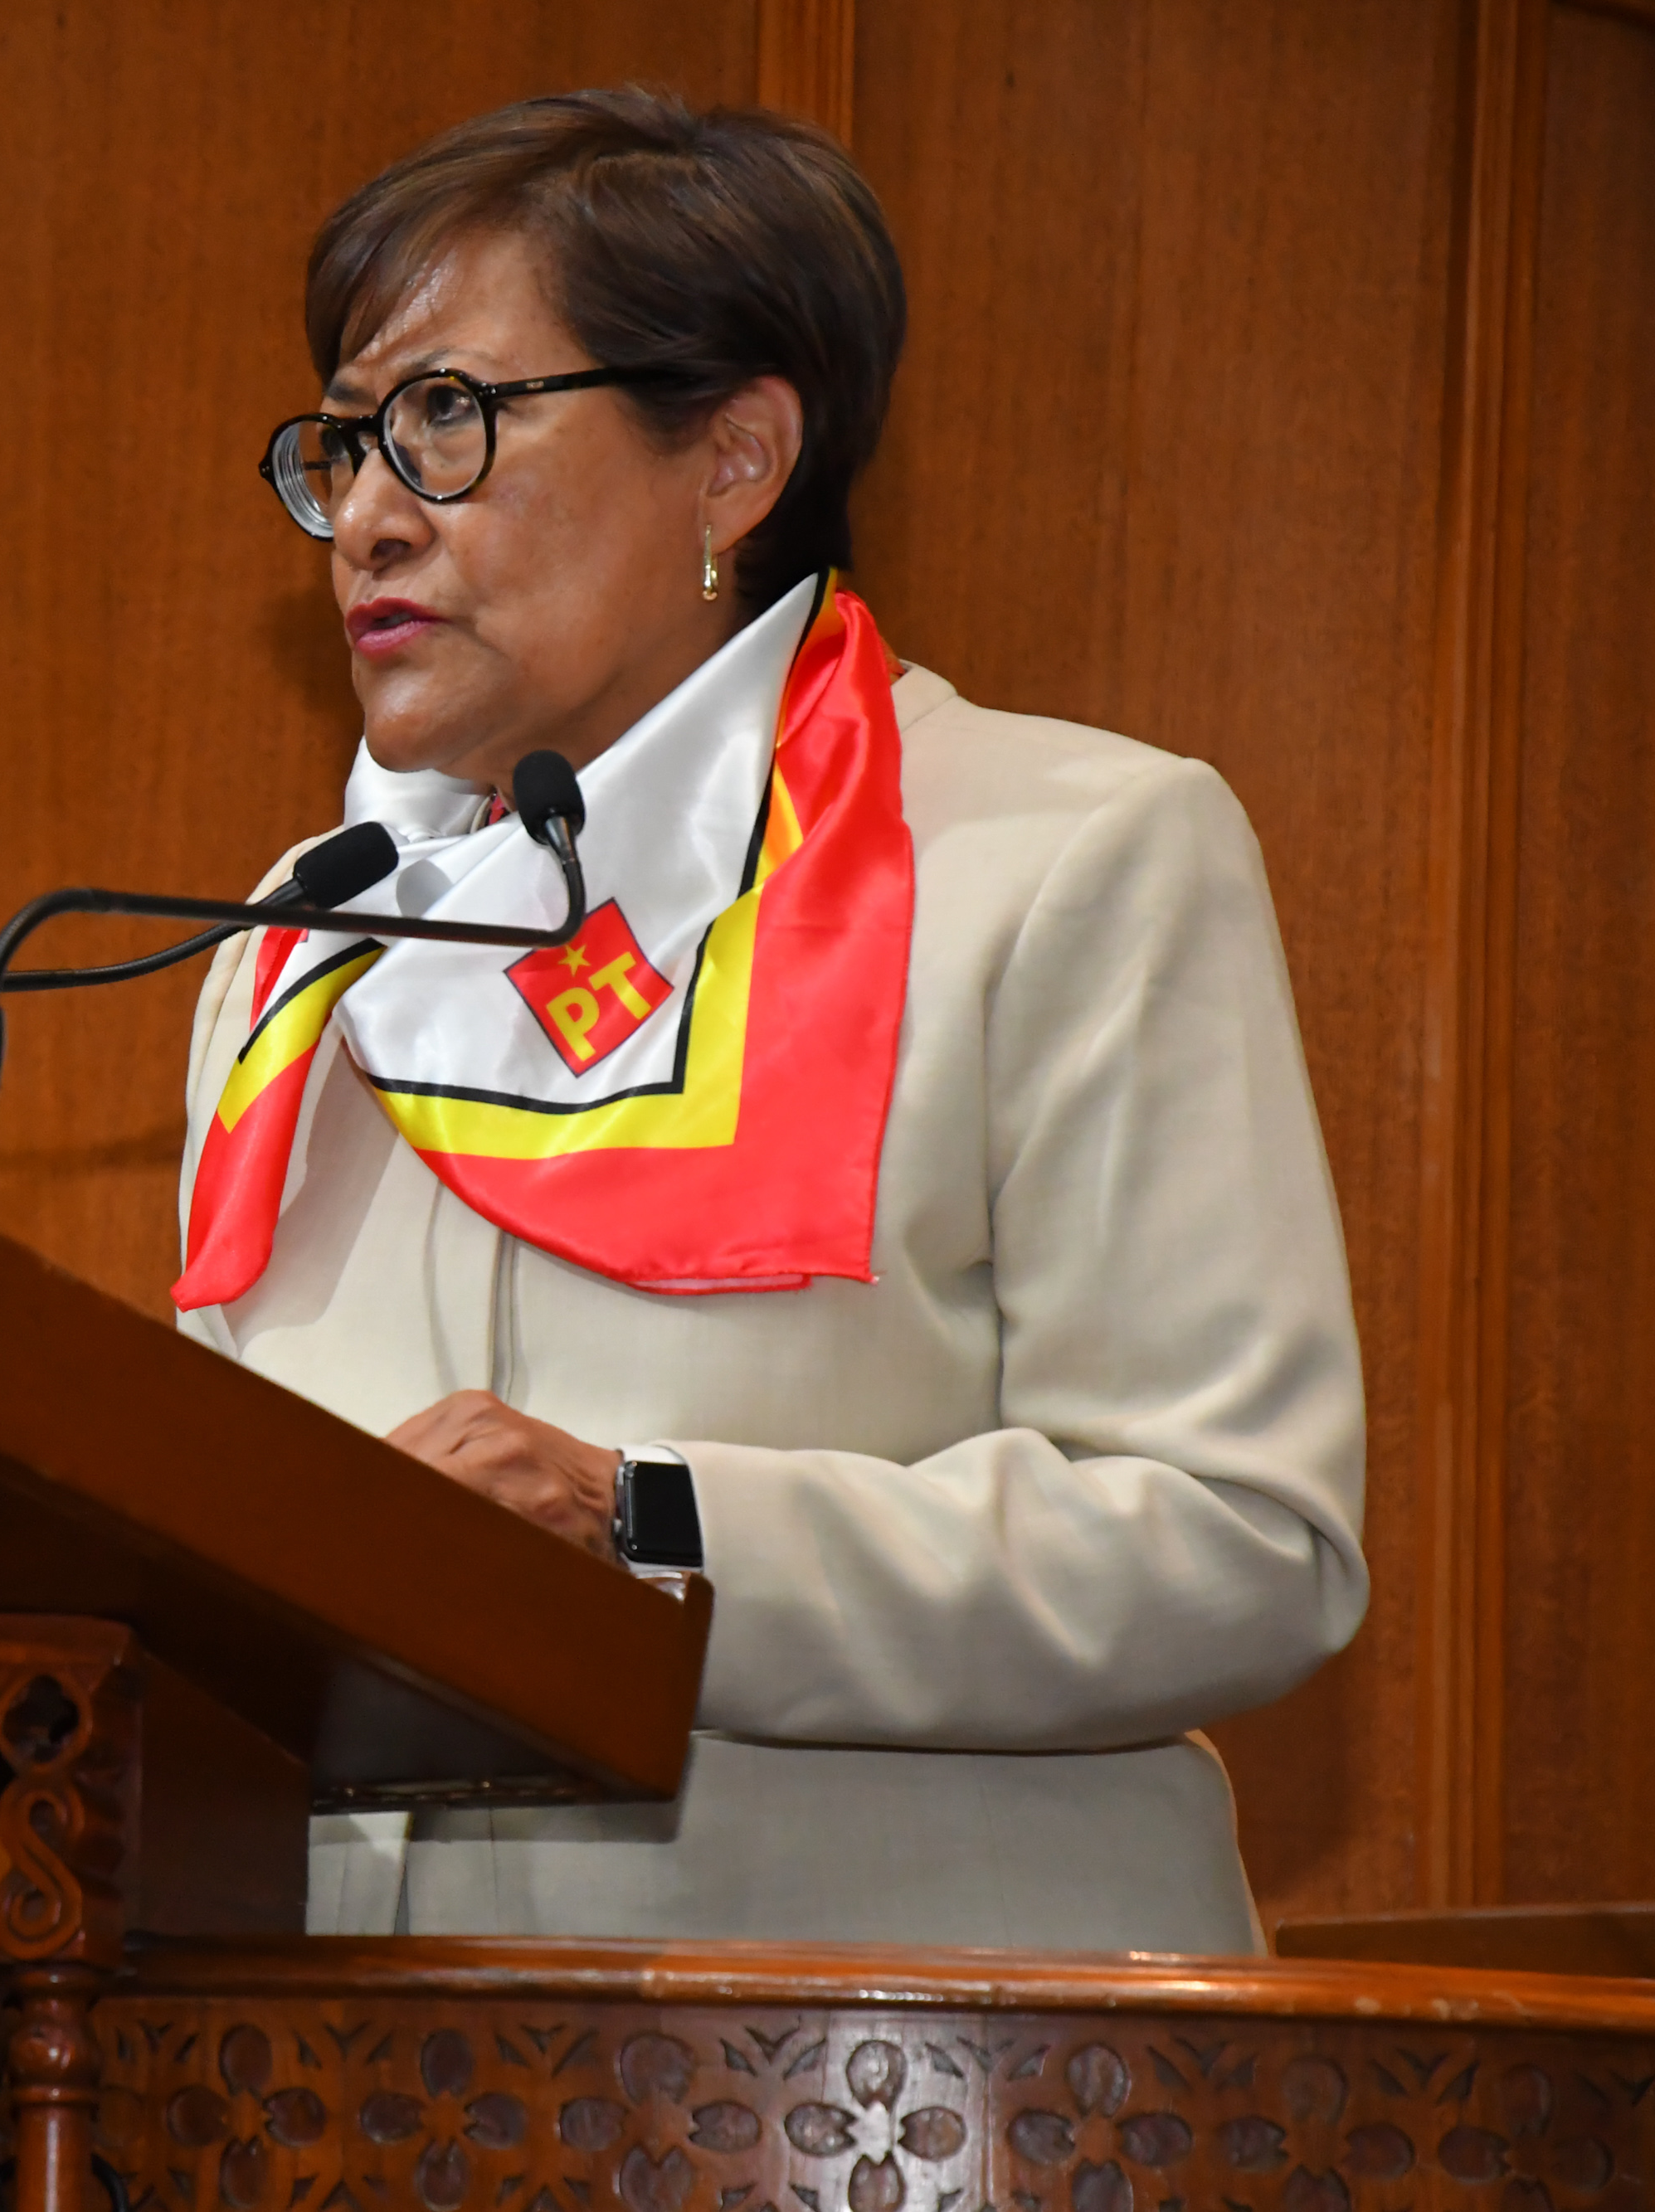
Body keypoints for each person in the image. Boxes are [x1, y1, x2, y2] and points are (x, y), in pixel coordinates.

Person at [173, 90, 1365, 1956]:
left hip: (898, 2050)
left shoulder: (1055, 857)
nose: (370, 516)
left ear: (731, 459)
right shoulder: (301, 944)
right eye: (343, 443)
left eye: (447, 421)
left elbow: (1238, 1543)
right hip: (353, 2061)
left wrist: (646, 1519)